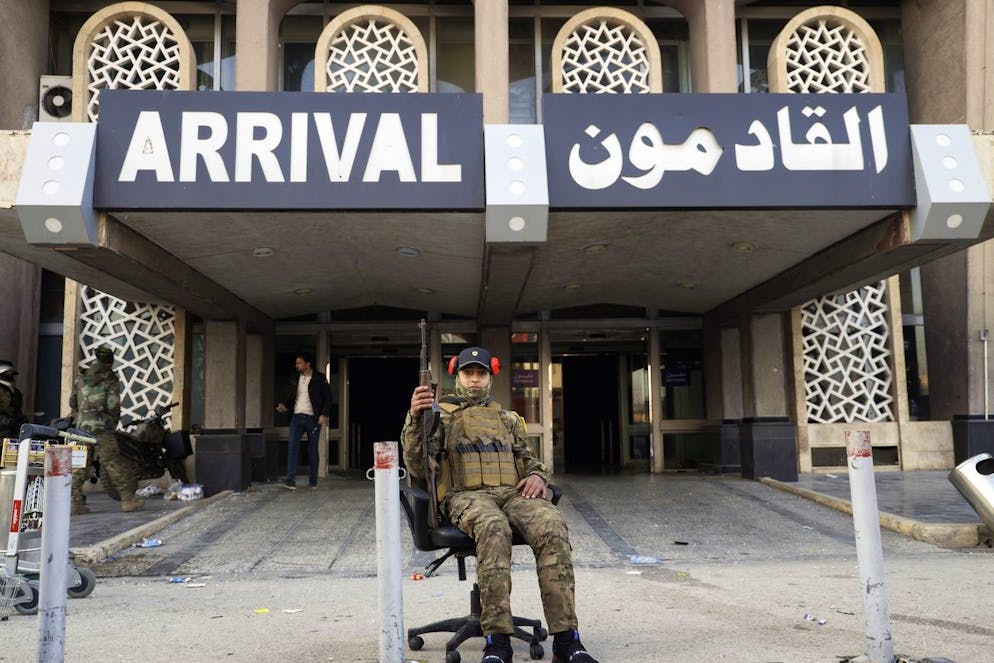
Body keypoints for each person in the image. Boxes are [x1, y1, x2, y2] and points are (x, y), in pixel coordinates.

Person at [402, 346, 599, 663]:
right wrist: (415, 417)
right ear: (458, 377)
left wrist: (537, 476)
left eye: (481, 373)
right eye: (469, 374)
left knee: (552, 524)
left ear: (490, 378)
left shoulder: (508, 419)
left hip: (512, 493)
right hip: (466, 495)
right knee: (494, 528)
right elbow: (414, 462)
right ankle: (497, 642)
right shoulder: (441, 417)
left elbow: (531, 459)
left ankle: (566, 640)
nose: (475, 380)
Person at [69, 344, 144, 513]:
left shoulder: (80, 379)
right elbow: (113, 406)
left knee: (79, 466)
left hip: (81, 429)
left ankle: (75, 504)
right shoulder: (110, 379)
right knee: (113, 463)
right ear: (109, 363)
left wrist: (81, 417)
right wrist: (112, 424)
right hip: (102, 429)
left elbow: (72, 403)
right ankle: (127, 500)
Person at [277, 352, 331, 490]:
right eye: (296, 363)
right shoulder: (296, 378)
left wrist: (324, 414)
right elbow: (291, 396)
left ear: (308, 364)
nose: (297, 365)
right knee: (292, 447)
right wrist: (284, 406)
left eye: (299, 363)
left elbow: (328, 398)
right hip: (296, 417)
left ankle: (313, 480)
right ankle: (290, 480)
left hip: (312, 418)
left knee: (312, 449)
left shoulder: (320, 378)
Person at [0, 359, 26, 439]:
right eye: (8, 374)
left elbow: (17, 413)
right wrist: (9, 422)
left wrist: (22, 422)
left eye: (11, 375)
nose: (11, 377)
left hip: (11, 438)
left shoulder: (16, 393)